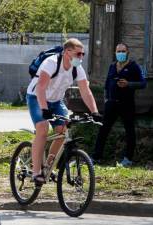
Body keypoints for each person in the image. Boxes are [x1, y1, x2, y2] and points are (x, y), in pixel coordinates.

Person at [26, 38, 101, 184]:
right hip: (37, 98)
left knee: (62, 131)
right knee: (42, 129)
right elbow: (41, 88)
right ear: (67, 52)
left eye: (83, 54)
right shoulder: (51, 63)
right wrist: (44, 109)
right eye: (78, 54)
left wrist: (95, 112)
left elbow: (85, 91)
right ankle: (36, 172)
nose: (81, 57)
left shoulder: (77, 68)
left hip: (55, 101)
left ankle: (48, 166)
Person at [92, 43, 147, 167]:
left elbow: (143, 84)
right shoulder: (112, 66)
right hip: (111, 103)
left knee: (129, 131)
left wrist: (129, 84)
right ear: (115, 53)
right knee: (103, 130)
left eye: (123, 51)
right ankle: (96, 157)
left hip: (127, 104)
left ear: (128, 52)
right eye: (118, 51)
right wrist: (106, 99)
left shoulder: (134, 67)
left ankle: (128, 158)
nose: (120, 53)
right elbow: (107, 84)